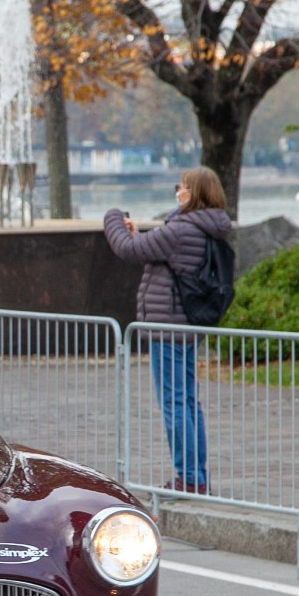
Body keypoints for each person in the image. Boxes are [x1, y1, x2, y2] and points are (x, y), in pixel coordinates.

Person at [102, 166, 232, 495]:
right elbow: (152, 245)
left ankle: (187, 479)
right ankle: (197, 478)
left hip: (168, 327)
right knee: (188, 402)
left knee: (175, 404)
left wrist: (113, 217)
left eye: (183, 187)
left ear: (195, 193)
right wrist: (138, 232)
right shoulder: (205, 227)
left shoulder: (182, 230)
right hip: (186, 326)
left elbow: (129, 250)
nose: (178, 191)